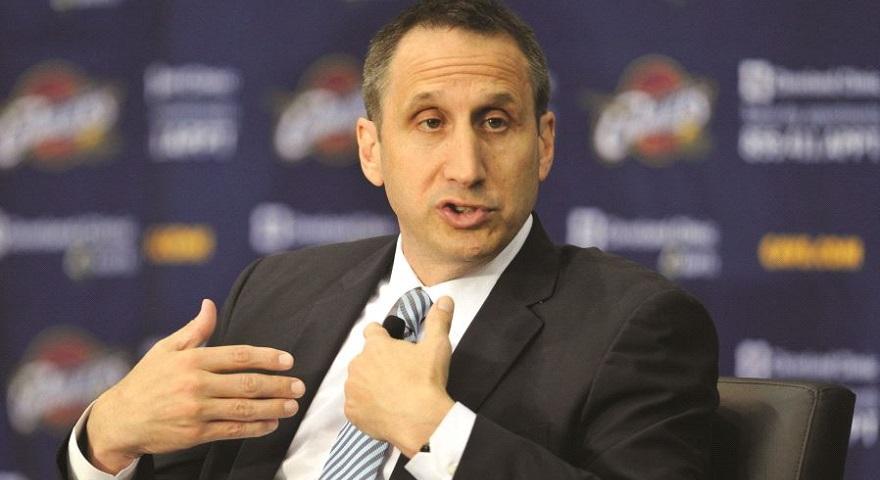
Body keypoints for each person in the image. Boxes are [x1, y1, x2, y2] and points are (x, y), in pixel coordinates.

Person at [60, 1, 719, 478]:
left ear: (543, 144)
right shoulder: (275, 292)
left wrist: (435, 430)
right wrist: (107, 440)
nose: (466, 166)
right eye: (429, 122)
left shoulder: (635, 325)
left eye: (495, 122)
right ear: (371, 150)